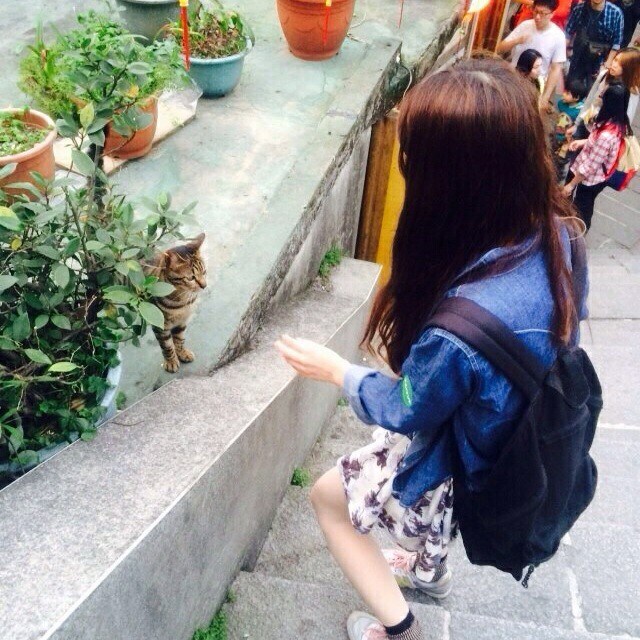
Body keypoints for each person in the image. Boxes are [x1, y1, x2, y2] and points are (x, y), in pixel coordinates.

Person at [275, 57, 586, 640]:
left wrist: (338, 371)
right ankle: (429, 572)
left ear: (448, 181)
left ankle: (403, 630)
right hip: (512, 434)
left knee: (328, 501)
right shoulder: (560, 231)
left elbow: (407, 408)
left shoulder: (458, 332)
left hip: (454, 456)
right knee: (433, 509)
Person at [564, 83, 627, 228]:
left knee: (582, 208)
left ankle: (578, 230)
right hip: (590, 171)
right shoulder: (616, 123)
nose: (600, 97)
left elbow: (590, 166)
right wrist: (583, 142)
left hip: (590, 179)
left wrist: (571, 185)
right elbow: (596, 143)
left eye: (603, 96)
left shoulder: (607, 135)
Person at [498, 0, 567, 111]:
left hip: (534, 85)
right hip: (513, 79)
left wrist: (545, 97)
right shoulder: (525, 26)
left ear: (552, 14)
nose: (538, 17)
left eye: (543, 13)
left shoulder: (558, 36)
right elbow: (500, 48)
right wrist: (516, 41)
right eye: (535, 11)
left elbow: (555, 69)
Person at [565, 0, 624, 91]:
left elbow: (616, 43)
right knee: (571, 91)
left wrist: (607, 64)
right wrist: (563, 55)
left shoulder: (615, 13)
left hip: (600, 62)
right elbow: (568, 34)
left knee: (593, 92)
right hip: (578, 60)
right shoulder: (579, 9)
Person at [555, 77, 588, 179]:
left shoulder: (580, 111)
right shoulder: (561, 103)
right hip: (556, 136)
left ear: (576, 98)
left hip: (567, 141)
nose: (563, 94)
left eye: (567, 93)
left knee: (561, 161)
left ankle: (557, 178)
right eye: (565, 91)